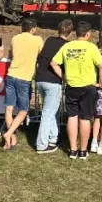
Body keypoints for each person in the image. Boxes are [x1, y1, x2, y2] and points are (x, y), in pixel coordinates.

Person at [52, 21, 102, 160]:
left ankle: (72, 150)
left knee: (72, 117)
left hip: (72, 85)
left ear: (76, 33)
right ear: (88, 34)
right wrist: (101, 83)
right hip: (88, 86)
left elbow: (53, 63)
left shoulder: (67, 46)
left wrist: (64, 77)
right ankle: (83, 150)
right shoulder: (91, 47)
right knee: (85, 118)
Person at [2, 19, 44, 150]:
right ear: (33, 29)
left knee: (9, 109)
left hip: (11, 74)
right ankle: (9, 134)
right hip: (24, 78)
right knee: (24, 109)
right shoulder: (37, 40)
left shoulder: (15, 38)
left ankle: (10, 139)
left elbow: (10, 54)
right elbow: (41, 56)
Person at [34, 19, 74, 154]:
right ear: (70, 33)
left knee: (53, 111)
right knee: (48, 113)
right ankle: (41, 144)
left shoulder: (50, 40)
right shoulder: (67, 46)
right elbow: (55, 63)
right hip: (52, 81)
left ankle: (53, 138)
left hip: (40, 79)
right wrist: (65, 77)